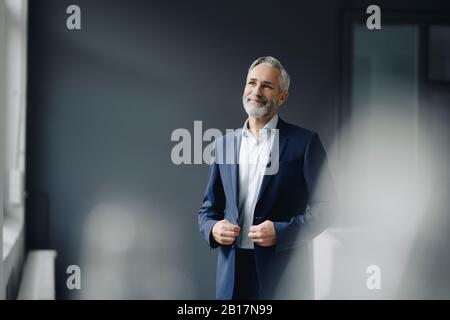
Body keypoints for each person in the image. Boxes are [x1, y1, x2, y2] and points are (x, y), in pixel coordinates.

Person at [198, 56, 336, 300]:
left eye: (267, 86)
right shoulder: (224, 146)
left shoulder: (305, 144)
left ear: (282, 97)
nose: (256, 91)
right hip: (232, 277)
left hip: (283, 278)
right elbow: (207, 212)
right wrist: (213, 229)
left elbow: (328, 209)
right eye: (252, 83)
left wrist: (281, 232)